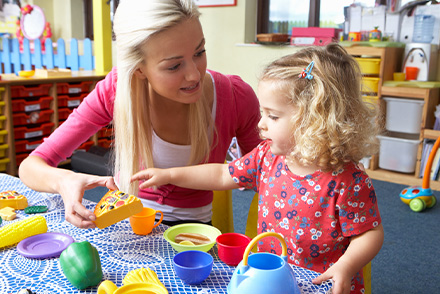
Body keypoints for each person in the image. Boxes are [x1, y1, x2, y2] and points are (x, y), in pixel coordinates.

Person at [130, 44, 384, 294]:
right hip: (269, 280)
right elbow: (221, 174)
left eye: (272, 116)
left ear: (315, 120)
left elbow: (369, 234)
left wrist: (346, 266)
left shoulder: (348, 179)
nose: (260, 124)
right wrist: (169, 174)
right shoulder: (267, 157)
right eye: (263, 113)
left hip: (320, 284)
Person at [18, 0, 261, 229]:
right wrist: (64, 180)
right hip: (123, 221)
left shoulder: (236, 97)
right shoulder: (116, 90)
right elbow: (31, 167)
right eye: (174, 66)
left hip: (191, 232)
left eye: (199, 52)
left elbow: (268, 173)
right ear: (139, 69)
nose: (194, 75)